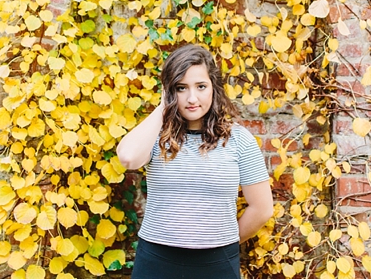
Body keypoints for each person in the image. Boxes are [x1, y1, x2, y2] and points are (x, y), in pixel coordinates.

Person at [117, 44, 274, 279]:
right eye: (181, 88)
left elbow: (262, 209)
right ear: (170, 91)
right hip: (157, 262)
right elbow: (128, 157)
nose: (192, 98)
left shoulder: (239, 140)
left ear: (213, 87)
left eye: (201, 86)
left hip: (217, 263)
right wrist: (163, 107)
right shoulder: (156, 136)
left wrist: (220, 242)